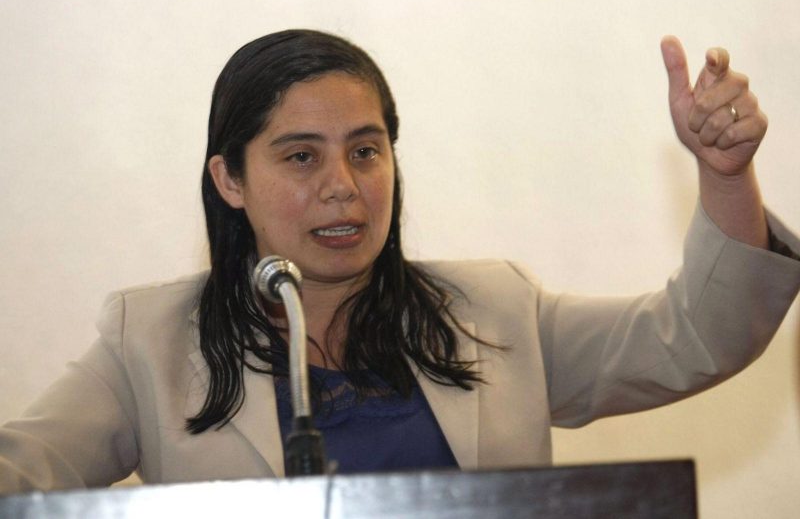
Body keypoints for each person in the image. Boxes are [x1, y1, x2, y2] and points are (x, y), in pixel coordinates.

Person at [1, 29, 799, 492]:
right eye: (301, 156)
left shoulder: (494, 310)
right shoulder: (147, 342)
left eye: (365, 150)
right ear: (230, 180)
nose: (343, 186)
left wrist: (725, 174)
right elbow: (22, 473)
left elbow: (699, 336)